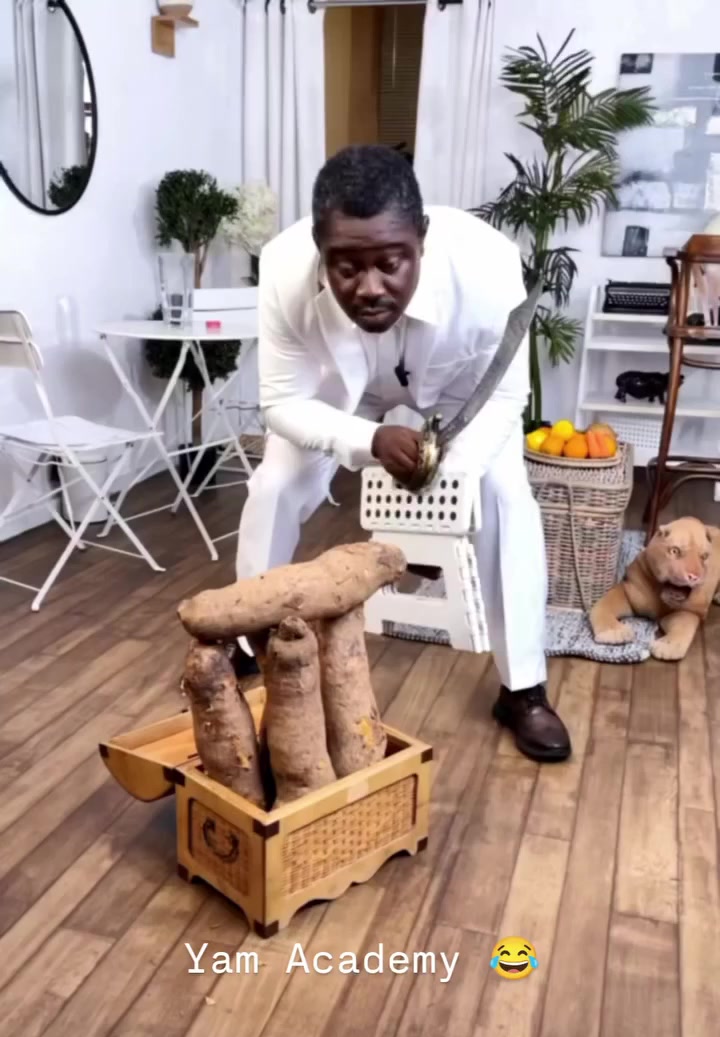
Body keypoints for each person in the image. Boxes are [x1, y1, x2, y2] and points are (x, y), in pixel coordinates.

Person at [234, 145, 571, 763]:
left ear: (423, 239)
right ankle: (247, 640)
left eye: (391, 264)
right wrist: (367, 440)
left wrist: (449, 477)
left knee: (506, 497)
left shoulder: (489, 267)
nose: (369, 289)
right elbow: (282, 401)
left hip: (459, 393)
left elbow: (505, 395)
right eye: (345, 268)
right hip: (340, 396)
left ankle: (523, 688)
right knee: (273, 486)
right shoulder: (282, 268)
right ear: (318, 248)